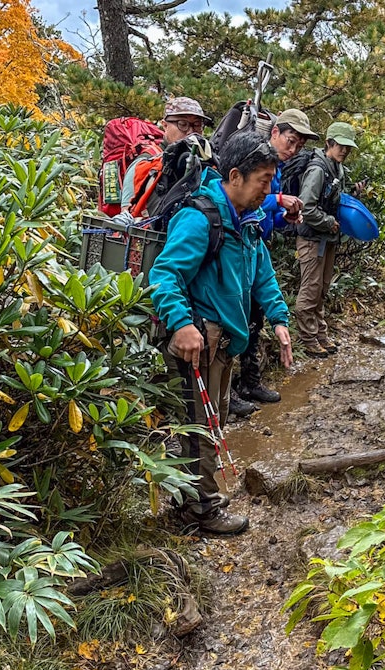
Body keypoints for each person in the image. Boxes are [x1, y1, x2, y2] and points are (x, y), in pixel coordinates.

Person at [149, 131, 293, 535]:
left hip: (225, 343)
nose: (269, 189)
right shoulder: (200, 218)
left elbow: (261, 271)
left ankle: (198, 493)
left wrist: (279, 318)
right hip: (200, 344)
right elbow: (164, 275)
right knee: (200, 427)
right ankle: (201, 509)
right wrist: (180, 323)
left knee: (215, 420)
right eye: (263, 180)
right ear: (235, 175)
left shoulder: (247, 221)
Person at [229, 109, 319, 417]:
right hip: (238, 248)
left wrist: (285, 218)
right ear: (275, 133)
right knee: (233, 320)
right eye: (290, 141)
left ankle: (249, 381)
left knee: (255, 319)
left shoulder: (277, 171)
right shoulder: (256, 161)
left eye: (298, 146)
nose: (292, 150)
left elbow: (267, 217)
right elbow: (241, 197)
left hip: (257, 247)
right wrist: (279, 201)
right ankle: (228, 391)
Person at [295, 122, 358, 358]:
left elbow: (333, 199)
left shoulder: (336, 168)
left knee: (322, 288)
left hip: (327, 238)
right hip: (312, 238)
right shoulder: (318, 169)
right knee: (311, 288)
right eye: (340, 146)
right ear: (329, 143)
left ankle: (320, 333)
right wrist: (328, 221)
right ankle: (307, 338)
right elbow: (307, 208)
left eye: (347, 148)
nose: (344, 151)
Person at [120, 97, 213, 214]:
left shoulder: (202, 162)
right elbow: (126, 213)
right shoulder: (145, 161)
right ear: (165, 125)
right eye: (183, 124)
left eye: (197, 125)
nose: (190, 131)